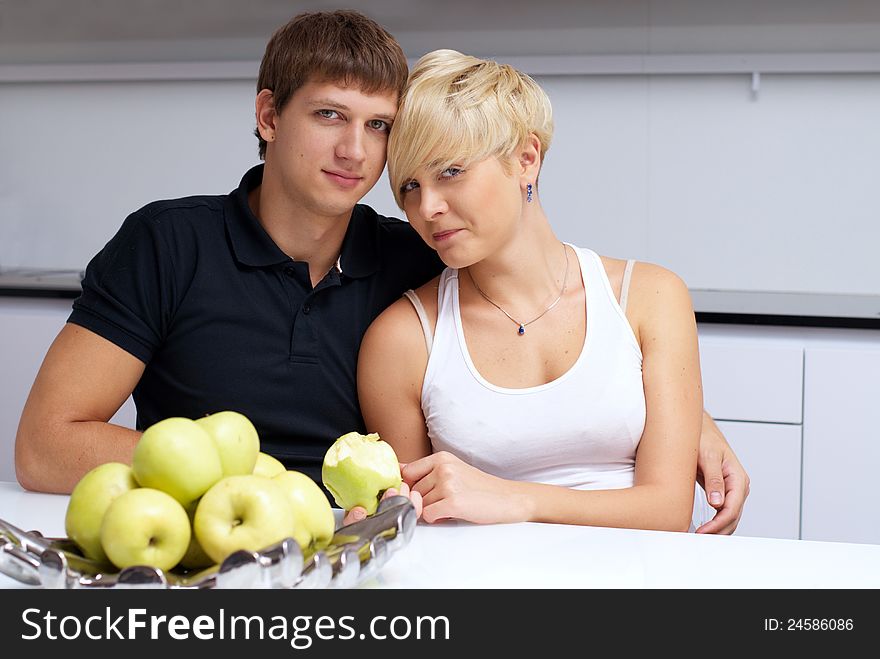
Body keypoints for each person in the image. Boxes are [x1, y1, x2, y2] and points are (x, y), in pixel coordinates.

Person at [14, 10, 746, 534]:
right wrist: (254, 480)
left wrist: (688, 419)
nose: (356, 151)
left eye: (379, 126)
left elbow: (542, 305)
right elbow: (45, 446)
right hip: (206, 543)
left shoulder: (414, 252)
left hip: (360, 553)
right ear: (269, 115)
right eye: (330, 115)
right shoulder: (169, 243)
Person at [356, 49, 712, 531]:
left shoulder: (649, 297)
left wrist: (515, 500)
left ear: (527, 159)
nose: (428, 207)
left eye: (450, 172)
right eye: (410, 187)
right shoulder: (402, 338)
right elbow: (418, 528)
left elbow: (668, 512)